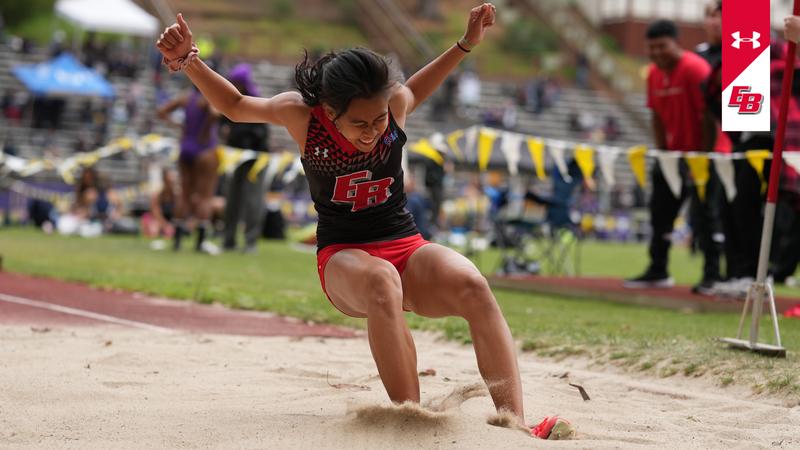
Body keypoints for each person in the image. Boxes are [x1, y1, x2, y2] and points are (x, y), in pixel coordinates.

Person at [155, 4, 572, 439]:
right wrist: (189, 61)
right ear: (329, 110)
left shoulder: (393, 105)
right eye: (359, 123)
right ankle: (411, 421)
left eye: (378, 120)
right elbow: (236, 105)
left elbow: (415, 88)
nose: (372, 130)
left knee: (473, 284)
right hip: (344, 256)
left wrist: (466, 43)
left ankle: (514, 423)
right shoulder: (302, 116)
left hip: (404, 244)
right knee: (381, 282)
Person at [624, 20, 721, 292]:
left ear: (676, 43)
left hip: (703, 156)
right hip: (671, 155)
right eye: (651, 48)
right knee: (660, 214)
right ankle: (658, 269)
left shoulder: (695, 69)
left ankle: (712, 275)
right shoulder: (653, 73)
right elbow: (655, 115)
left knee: (705, 215)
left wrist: (701, 158)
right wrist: (663, 155)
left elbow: (709, 115)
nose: (656, 52)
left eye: (662, 46)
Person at [157, 85, 221, 255]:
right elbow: (215, 113)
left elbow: (161, 111)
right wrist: (207, 128)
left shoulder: (186, 98)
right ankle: (200, 242)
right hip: (205, 148)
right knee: (205, 196)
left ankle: (177, 241)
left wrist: (178, 126)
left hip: (186, 146)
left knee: (184, 194)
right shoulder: (207, 97)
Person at [220, 63, 270, 253]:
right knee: (232, 198)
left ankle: (250, 242)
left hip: (256, 158)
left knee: (253, 200)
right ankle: (228, 239)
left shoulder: (256, 101)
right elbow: (223, 120)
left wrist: (237, 133)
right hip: (235, 157)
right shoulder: (231, 100)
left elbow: (260, 131)